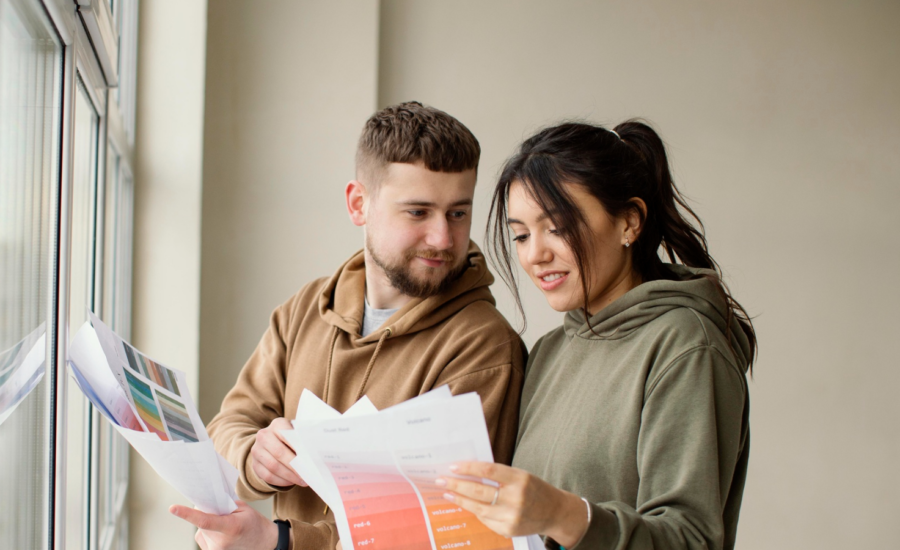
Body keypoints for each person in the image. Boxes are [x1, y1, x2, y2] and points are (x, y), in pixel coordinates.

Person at [170, 102, 526, 549]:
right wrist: (256, 458)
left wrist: (280, 542)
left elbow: (440, 533)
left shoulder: (485, 348)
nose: (443, 238)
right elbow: (230, 424)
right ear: (359, 204)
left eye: (458, 213)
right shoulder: (306, 309)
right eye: (418, 212)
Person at [438, 121, 756, 550]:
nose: (536, 254)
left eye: (558, 226)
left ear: (629, 222)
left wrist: (562, 514)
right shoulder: (551, 351)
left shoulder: (685, 346)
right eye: (521, 235)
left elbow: (691, 539)